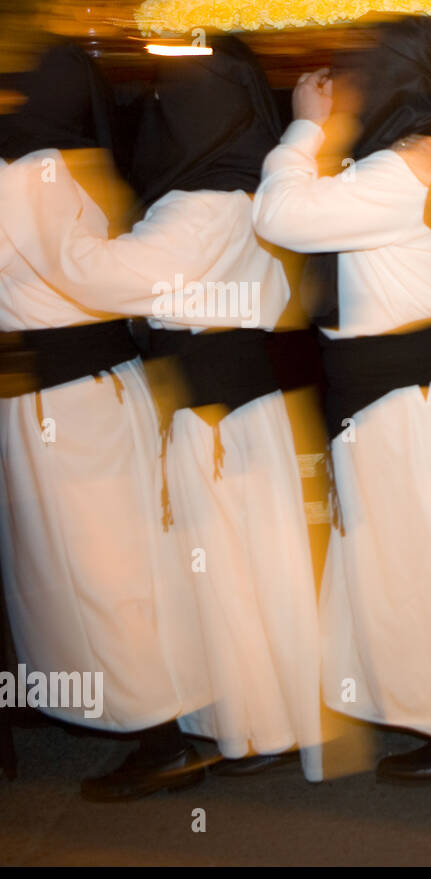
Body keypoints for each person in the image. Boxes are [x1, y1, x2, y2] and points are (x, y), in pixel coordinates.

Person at [0, 36, 324, 792]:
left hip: (214, 417)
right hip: (239, 407)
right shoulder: (247, 186)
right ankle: (260, 726)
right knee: (246, 576)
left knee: (223, 580)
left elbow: (112, 280)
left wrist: (59, 239)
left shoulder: (199, 204)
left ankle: (227, 734)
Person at [252, 16, 431, 779]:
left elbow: (282, 215)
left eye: (361, 75)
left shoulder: (406, 168)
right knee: (416, 571)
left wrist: (304, 130)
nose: (351, 92)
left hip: (410, 398)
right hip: (418, 391)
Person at [0, 43, 208, 799]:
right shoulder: (71, 161)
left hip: (69, 397)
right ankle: (123, 710)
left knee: (101, 571)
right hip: (83, 387)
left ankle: (162, 734)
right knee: (87, 566)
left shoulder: (29, 175)